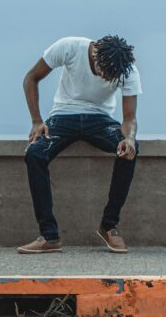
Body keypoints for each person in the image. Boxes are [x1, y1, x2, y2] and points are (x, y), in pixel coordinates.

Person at [19, 35, 141, 254]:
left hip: (100, 119)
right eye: (104, 72)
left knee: (129, 150)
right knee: (35, 154)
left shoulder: (126, 69)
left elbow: (129, 118)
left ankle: (108, 227)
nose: (107, 79)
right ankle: (49, 236)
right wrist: (37, 120)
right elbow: (31, 78)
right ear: (95, 53)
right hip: (64, 115)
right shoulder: (69, 47)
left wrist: (129, 138)